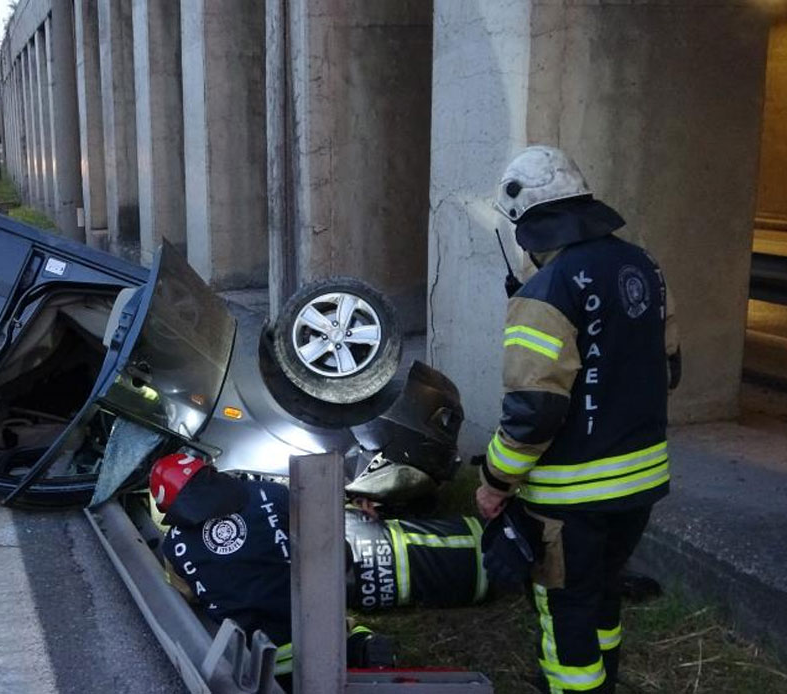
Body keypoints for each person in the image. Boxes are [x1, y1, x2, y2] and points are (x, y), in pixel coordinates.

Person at [475, 146, 681, 694]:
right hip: (641, 486)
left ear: (528, 226)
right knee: (603, 590)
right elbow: (668, 365)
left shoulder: (545, 292)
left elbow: (534, 412)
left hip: (570, 502)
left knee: (566, 609)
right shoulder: (645, 266)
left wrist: (494, 483)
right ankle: (605, 681)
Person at [149, 453, 490, 676]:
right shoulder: (267, 493)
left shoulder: (174, 550)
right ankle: (358, 645)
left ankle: (353, 646)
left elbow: (191, 598)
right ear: (210, 474)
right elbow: (329, 538)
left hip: (259, 658)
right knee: (343, 618)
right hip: (318, 625)